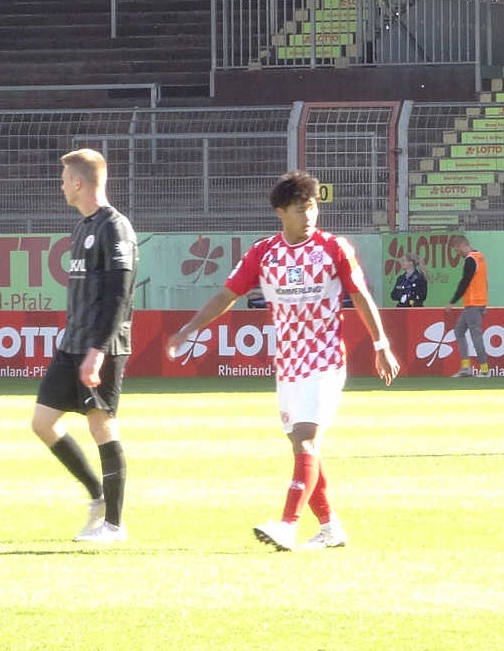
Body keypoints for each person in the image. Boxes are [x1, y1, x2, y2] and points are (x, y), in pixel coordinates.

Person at [166, 171, 399, 552]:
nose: (309, 216)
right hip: (288, 365)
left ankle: (287, 526)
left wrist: (381, 343)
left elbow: (360, 295)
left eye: (313, 207)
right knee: (303, 448)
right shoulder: (263, 253)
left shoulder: (333, 248)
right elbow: (226, 295)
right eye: (300, 209)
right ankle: (330, 528)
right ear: (281, 212)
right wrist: (189, 328)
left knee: (306, 440)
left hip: (324, 360)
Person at [27, 148, 137, 543]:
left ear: (78, 183)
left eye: (64, 181)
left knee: (100, 424)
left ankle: (114, 525)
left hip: (100, 346)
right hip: (72, 342)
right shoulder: (81, 227)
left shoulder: (115, 227)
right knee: (42, 422)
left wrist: (97, 350)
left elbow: (120, 294)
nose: (60, 187)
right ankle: (97, 494)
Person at [443, 234, 488, 377]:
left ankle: (484, 369)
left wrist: (452, 301)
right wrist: (484, 303)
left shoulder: (470, 260)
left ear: (462, 245)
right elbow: (484, 281)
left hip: (472, 303)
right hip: (477, 302)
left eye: (457, 250)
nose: (457, 253)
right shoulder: (480, 256)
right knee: (459, 331)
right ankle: (466, 367)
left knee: (475, 335)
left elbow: (465, 281)